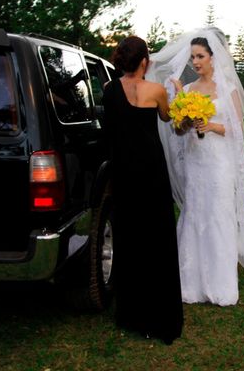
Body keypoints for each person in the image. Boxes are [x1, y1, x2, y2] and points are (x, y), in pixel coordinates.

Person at [146, 28, 244, 306]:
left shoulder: (228, 90)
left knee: (218, 217)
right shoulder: (187, 90)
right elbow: (178, 131)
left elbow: (237, 131)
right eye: (192, 57)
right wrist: (186, 121)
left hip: (218, 163)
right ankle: (190, 283)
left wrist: (210, 125)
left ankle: (220, 285)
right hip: (195, 162)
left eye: (200, 56)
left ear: (214, 57)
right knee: (194, 214)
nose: (195, 62)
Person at [102, 35, 183, 344]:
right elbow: (170, 119)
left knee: (130, 238)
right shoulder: (157, 90)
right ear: (145, 62)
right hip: (151, 172)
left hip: (124, 174)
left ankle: (131, 314)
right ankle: (157, 315)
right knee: (157, 240)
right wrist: (180, 104)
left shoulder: (109, 91)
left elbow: (109, 133)